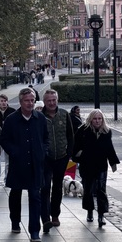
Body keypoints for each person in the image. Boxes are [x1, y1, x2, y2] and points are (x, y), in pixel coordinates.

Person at [0, 87, 49, 242]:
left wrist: (43, 151)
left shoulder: (40, 118)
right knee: (16, 194)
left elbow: (46, 138)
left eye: (32, 100)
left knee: (35, 196)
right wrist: (14, 152)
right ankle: (15, 221)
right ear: (21, 102)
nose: (30, 103)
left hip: (36, 164)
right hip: (18, 164)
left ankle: (35, 231)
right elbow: (4, 140)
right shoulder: (11, 120)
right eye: (27, 100)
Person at [72, 109, 119, 227]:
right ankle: (89, 212)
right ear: (90, 119)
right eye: (95, 119)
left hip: (101, 165)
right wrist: (79, 156)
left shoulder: (106, 132)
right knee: (88, 190)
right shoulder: (83, 130)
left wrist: (113, 162)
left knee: (101, 190)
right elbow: (75, 146)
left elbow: (109, 147)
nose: (97, 121)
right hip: (87, 165)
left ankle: (101, 215)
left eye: (99, 119)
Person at [40, 89, 74, 232]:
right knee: (45, 187)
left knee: (58, 188)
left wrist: (69, 153)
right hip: (45, 159)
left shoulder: (64, 114)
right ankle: (45, 218)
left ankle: (55, 215)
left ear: (57, 100)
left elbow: (71, 135)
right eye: (49, 100)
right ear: (44, 102)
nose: (52, 103)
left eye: (54, 100)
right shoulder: (39, 116)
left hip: (61, 157)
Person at [0, 94, 16, 186]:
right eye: (2, 101)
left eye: (5, 101)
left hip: (8, 140)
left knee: (8, 161)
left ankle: (7, 179)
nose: (3, 102)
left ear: (7, 101)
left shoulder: (12, 111)